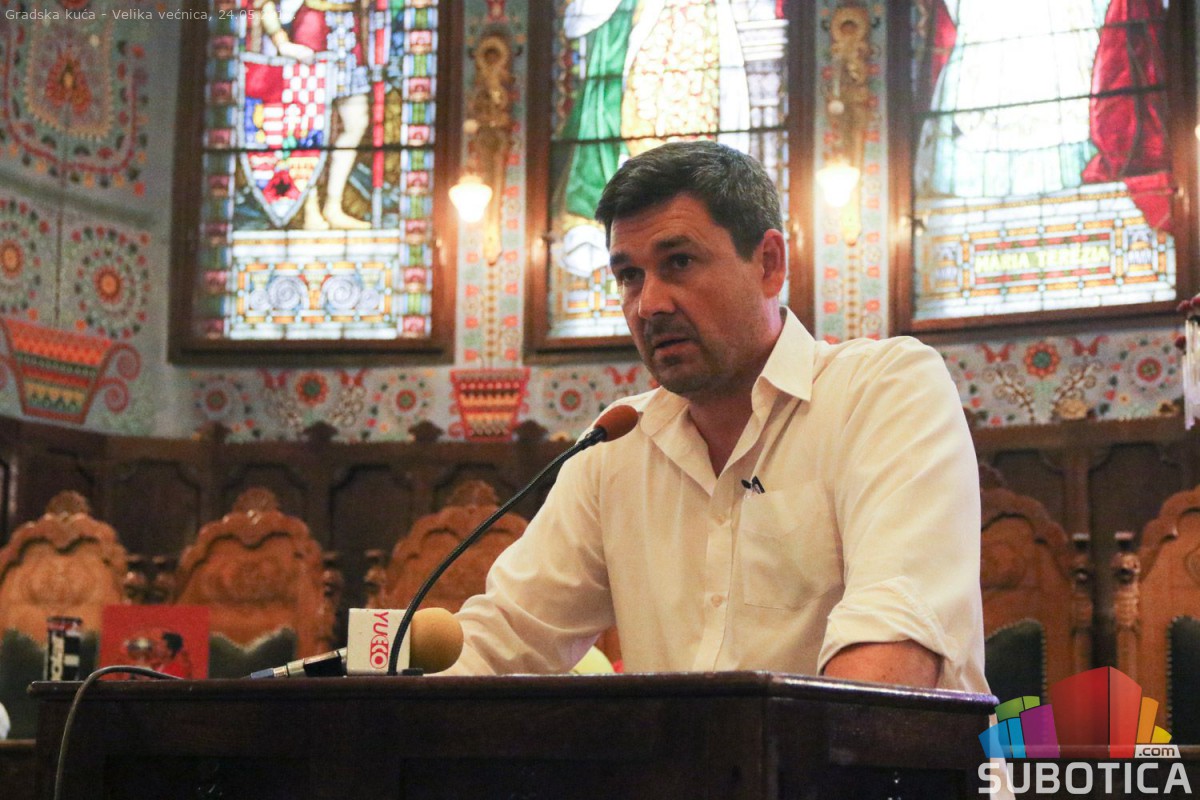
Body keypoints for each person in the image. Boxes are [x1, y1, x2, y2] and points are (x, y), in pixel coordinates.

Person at [448, 140, 987, 693]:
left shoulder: (884, 391)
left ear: (769, 264)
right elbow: (505, 637)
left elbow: (891, 661)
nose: (649, 304)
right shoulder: (615, 446)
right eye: (629, 275)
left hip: (867, 753)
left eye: (679, 262)